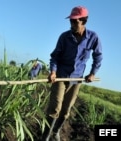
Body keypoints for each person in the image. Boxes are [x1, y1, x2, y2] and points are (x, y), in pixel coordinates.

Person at [41, 6, 103, 141]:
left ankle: (56, 131)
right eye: (71, 21)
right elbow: (55, 56)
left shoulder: (93, 37)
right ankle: (45, 137)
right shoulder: (64, 37)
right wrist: (53, 71)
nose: (72, 24)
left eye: (75, 21)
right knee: (55, 108)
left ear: (84, 21)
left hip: (77, 79)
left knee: (66, 110)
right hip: (61, 77)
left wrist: (92, 73)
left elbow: (98, 56)